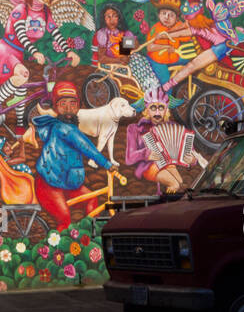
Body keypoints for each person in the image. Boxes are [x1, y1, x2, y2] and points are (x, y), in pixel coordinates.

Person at [31, 81, 117, 230]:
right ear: (55, 107)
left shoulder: (69, 127)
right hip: (48, 185)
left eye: (73, 104)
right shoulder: (63, 128)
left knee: (91, 200)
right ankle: (57, 251)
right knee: (64, 220)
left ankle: (90, 236)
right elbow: (87, 147)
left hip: (68, 184)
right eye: (63, 104)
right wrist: (107, 164)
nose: (69, 109)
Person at [124, 89, 202, 194]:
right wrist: (146, 153)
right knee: (175, 184)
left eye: (161, 108)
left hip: (169, 165)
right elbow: (129, 158)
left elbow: (191, 151)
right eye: (153, 108)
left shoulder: (174, 128)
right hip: (148, 167)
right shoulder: (134, 128)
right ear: (147, 110)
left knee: (180, 182)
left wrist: (192, 160)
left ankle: (167, 203)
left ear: (166, 110)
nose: (157, 113)